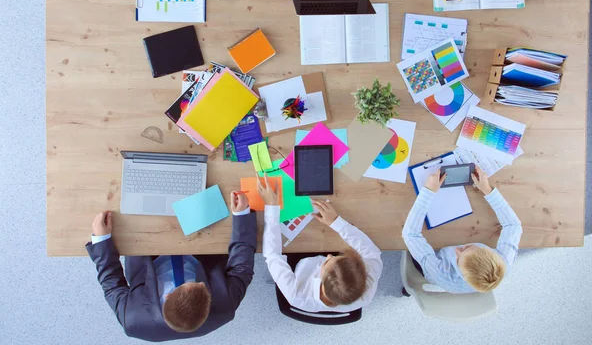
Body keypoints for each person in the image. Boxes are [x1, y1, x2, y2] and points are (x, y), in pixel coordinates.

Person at [86, 191, 256, 341]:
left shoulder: (132, 318)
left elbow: (111, 283)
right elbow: (242, 268)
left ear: (167, 297)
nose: (203, 283)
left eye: (197, 284)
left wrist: (101, 240)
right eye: (201, 286)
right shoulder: (226, 305)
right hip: (200, 245)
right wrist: (242, 215)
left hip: (147, 251)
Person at [257, 174, 383, 312]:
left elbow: (272, 255)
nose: (329, 255)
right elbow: (371, 251)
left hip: (300, 261)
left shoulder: (296, 295)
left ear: (321, 280)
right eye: (336, 257)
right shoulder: (367, 288)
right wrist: (336, 222)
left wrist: (271, 208)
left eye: (327, 262)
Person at [402, 166, 522, 293]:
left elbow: (410, 234)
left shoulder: (440, 274)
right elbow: (513, 225)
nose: (457, 250)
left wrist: (428, 192)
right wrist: (487, 190)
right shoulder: (502, 262)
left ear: (463, 275)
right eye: (467, 247)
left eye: (458, 259)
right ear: (489, 251)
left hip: (433, 264)